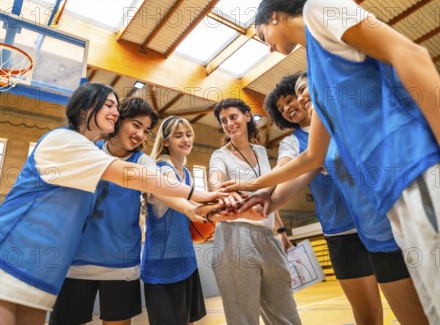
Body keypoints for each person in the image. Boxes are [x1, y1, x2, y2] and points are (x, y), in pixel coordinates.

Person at [221, 0, 440, 324]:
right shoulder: (318, 80)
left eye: (262, 34)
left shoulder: (318, 9)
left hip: (428, 166)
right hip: (400, 196)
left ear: (273, 15)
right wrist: (258, 192)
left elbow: (411, 55)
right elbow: (312, 157)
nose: (267, 45)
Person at [0, 83, 225, 325]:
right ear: (87, 108)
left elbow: (154, 187)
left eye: (115, 105)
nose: (115, 110)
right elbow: (131, 175)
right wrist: (197, 195)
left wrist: (194, 208)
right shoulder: (65, 141)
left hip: (41, 277)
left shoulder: (97, 155)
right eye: (109, 105)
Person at [260, 72, 427, 324]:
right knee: (367, 314)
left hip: (382, 223)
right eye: (281, 109)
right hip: (341, 233)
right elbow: (283, 169)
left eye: (289, 100)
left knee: (415, 304)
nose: (287, 109)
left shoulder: (343, 118)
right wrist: (258, 192)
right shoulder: (293, 143)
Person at [50, 97, 159, 325]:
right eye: (136, 125)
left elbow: (164, 190)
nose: (140, 135)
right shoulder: (89, 150)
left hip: (121, 265)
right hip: (75, 262)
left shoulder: (145, 162)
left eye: (146, 131)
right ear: (118, 121)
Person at [208, 98, 301, 325]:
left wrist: (280, 230)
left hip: (268, 236)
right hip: (235, 236)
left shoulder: (260, 151)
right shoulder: (220, 155)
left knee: (286, 314)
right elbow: (215, 180)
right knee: (243, 318)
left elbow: (268, 193)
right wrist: (218, 188)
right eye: (224, 120)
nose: (229, 123)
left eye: (233, 117)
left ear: (247, 116)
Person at [141, 116, 207, 325]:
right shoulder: (162, 169)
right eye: (178, 135)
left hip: (186, 260)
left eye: (188, 134)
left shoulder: (185, 173)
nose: (186, 139)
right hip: (163, 264)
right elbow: (184, 199)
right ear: (166, 141)